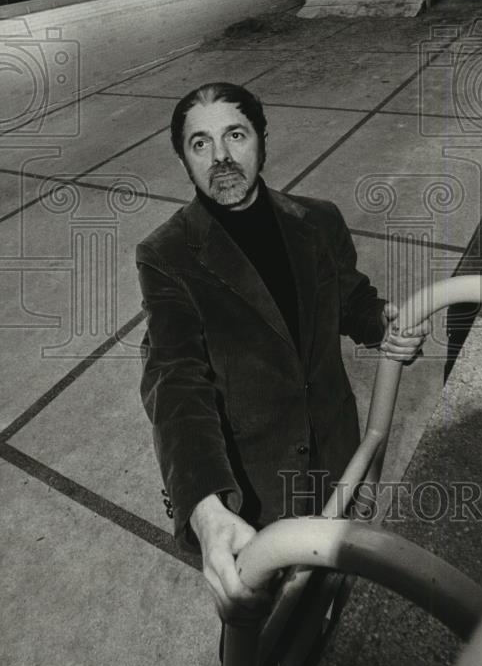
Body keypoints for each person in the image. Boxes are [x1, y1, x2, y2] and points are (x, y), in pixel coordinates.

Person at [136, 82, 428, 624]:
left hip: (340, 457)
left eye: (235, 135)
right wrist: (204, 508)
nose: (221, 156)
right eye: (200, 144)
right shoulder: (167, 255)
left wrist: (380, 320)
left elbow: (348, 296)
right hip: (258, 494)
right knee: (261, 640)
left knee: (338, 603)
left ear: (262, 141)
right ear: (184, 160)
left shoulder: (318, 221)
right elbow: (174, 379)